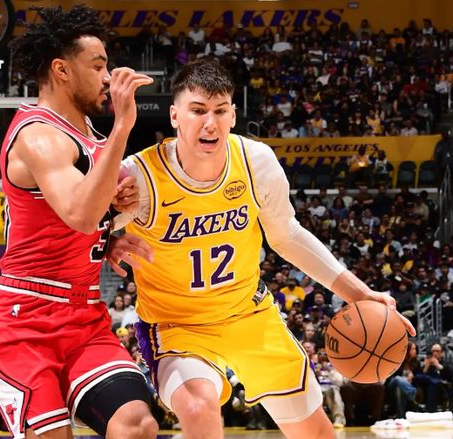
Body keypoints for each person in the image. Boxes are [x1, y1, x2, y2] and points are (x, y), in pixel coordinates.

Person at [116, 60, 416, 439]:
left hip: (249, 315)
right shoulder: (139, 176)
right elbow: (78, 220)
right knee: (197, 407)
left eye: (220, 111)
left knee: (317, 434)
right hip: (178, 326)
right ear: (175, 115)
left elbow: (286, 235)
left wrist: (359, 293)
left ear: (233, 115)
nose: (210, 123)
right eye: (198, 110)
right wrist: (106, 237)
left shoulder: (255, 161)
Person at [0, 5, 157, 439]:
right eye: (98, 66)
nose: (108, 77)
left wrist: (109, 237)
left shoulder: (88, 134)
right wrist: (124, 125)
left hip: (83, 316)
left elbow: (84, 217)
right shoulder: (38, 134)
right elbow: (80, 214)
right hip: (22, 320)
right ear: (62, 69)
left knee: (137, 424)